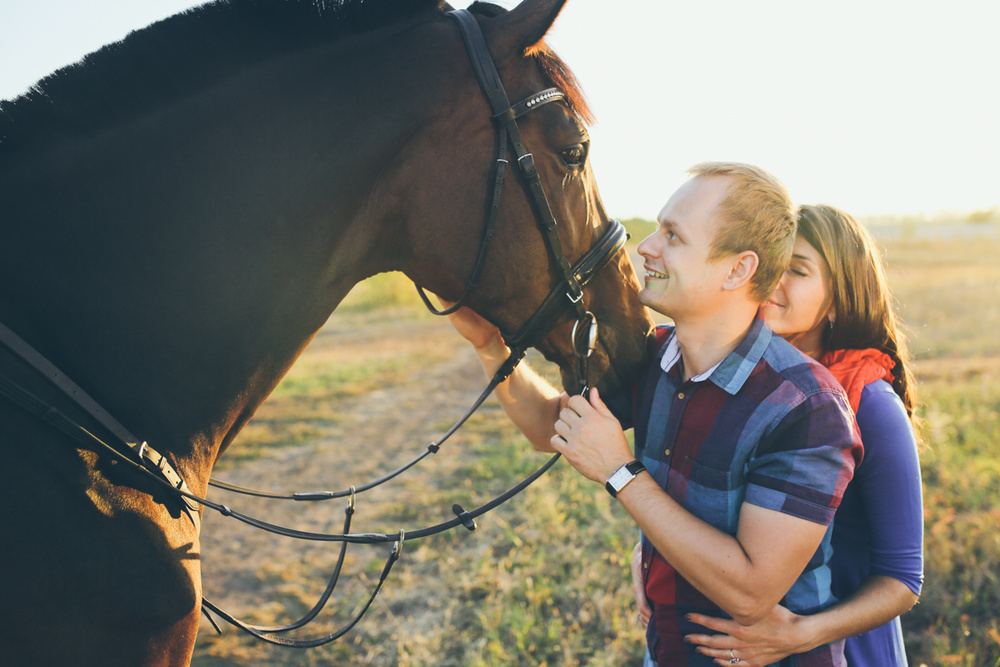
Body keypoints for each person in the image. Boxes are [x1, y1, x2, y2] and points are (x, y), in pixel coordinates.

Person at [446, 163, 863, 666]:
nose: (645, 247)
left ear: (737, 269)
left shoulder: (806, 407)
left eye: (673, 236)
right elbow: (550, 427)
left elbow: (752, 592)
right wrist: (489, 345)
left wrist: (621, 473)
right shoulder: (654, 358)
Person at [680, 204, 924, 666]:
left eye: (798, 270)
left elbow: (902, 579)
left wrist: (799, 634)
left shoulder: (872, 406)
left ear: (838, 298)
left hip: (839, 647)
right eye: (773, 263)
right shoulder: (746, 379)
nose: (774, 281)